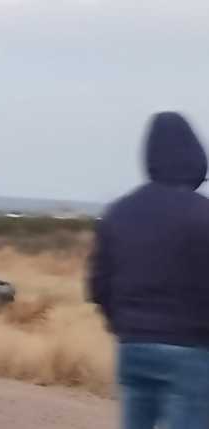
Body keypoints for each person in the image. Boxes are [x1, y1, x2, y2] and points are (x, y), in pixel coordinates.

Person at [88, 112, 209, 429]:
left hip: (134, 347)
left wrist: (125, 324)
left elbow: (98, 285)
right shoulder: (203, 215)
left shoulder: (119, 213)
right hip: (191, 350)